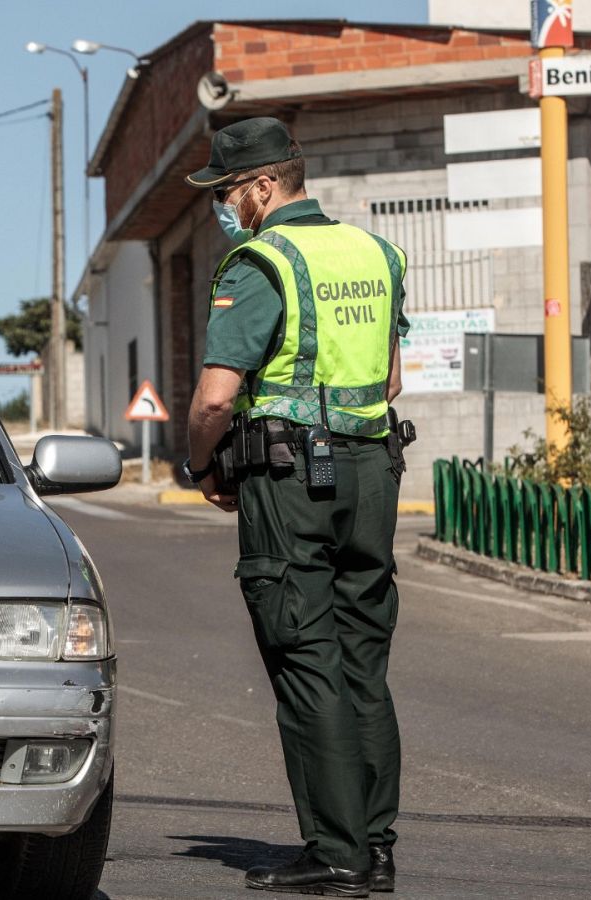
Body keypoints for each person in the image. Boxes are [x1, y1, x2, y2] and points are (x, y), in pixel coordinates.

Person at [180, 118, 408, 897]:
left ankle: (335, 853)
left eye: (227, 192)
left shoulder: (260, 262)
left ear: (263, 186)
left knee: (305, 657)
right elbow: (390, 381)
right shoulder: (377, 254)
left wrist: (201, 463)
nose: (225, 206)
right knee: (362, 664)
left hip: (292, 481)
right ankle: (374, 846)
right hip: (374, 471)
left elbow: (216, 396)